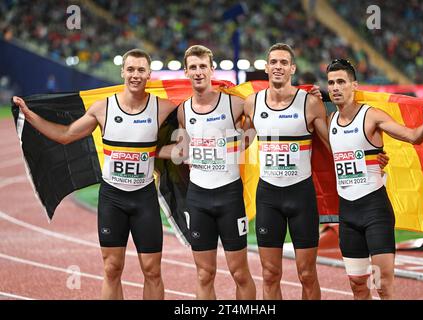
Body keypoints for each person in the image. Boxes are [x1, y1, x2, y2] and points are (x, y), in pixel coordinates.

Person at [13, 49, 178, 300]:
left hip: (143, 198)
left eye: (141, 70)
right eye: (131, 69)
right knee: (112, 269)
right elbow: (66, 135)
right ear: (123, 72)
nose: (135, 75)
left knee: (152, 270)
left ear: (149, 74)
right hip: (113, 199)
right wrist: (30, 116)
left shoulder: (163, 108)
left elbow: (195, 119)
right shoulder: (103, 108)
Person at [326, 59, 423, 299]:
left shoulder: (371, 116)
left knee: (382, 285)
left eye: (341, 82)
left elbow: (412, 137)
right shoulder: (330, 123)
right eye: (331, 83)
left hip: (374, 211)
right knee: (358, 285)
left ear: (354, 85)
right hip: (347, 214)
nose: (335, 87)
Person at [243, 43, 330, 300]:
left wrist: (371, 155)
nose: (278, 67)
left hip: (301, 195)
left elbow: (334, 145)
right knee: (270, 273)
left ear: (292, 68)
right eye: (274, 62)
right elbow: (241, 141)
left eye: (284, 63)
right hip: (268, 196)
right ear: (267, 67)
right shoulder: (252, 103)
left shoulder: (311, 103)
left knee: (307, 274)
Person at [172, 45, 256, 300]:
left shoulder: (235, 104)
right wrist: (143, 152)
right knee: (204, 274)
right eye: (193, 67)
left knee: (239, 272)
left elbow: (257, 124)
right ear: (186, 72)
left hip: (229, 197)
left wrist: (240, 145)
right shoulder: (183, 110)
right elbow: (182, 151)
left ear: (211, 69)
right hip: (198, 199)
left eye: (202, 66)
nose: (198, 72)